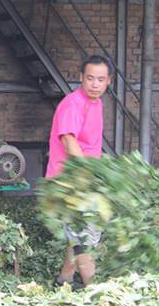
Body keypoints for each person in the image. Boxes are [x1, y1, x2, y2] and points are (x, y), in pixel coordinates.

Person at [46, 55, 112, 290]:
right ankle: (96, 294)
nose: (95, 84)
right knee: (84, 238)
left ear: (108, 82)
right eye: (90, 78)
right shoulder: (73, 104)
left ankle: (64, 279)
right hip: (69, 182)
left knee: (80, 234)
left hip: (85, 180)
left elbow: (89, 145)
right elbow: (68, 139)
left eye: (100, 79)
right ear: (81, 78)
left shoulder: (97, 103)